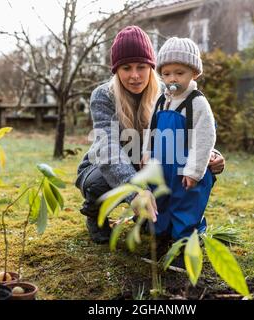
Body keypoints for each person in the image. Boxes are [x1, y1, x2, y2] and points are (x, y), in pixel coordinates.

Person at [75, 26, 225, 244]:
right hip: (105, 165)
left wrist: (212, 155)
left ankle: (164, 218)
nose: (135, 75)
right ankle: (95, 213)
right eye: (126, 68)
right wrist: (136, 191)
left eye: (141, 67)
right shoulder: (103, 96)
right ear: (116, 70)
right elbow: (108, 149)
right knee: (98, 183)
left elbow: (198, 129)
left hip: (149, 163)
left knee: (196, 167)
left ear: (151, 67)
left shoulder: (167, 93)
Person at [141, 37, 216, 246]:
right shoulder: (161, 100)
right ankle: (161, 233)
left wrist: (194, 170)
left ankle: (185, 242)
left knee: (186, 202)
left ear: (194, 73)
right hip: (161, 165)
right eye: (166, 74)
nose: (172, 79)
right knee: (162, 198)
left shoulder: (197, 103)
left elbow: (205, 138)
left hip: (185, 166)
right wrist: (147, 151)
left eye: (179, 73)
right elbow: (152, 128)